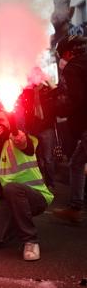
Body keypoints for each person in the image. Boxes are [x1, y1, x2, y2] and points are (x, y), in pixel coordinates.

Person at [0, 106, 54, 261]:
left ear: (9, 121)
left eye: (0, 120)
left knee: (11, 188)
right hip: (8, 202)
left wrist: (19, 138)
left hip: (36, 198)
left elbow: (25, 144)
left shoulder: (18, 136)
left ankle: (30, 241)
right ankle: (17, 222)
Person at [52, 35, 87, 223]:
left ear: (67, 52)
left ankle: (75, 208)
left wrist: (56, 104)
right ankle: (75, 207)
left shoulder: (73, 69)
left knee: (76, 163)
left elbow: (73, 100)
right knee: (76, 163)